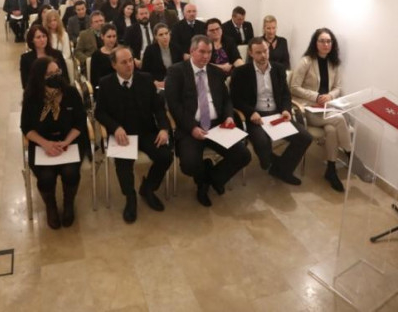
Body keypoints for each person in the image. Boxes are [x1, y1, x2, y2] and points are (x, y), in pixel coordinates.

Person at [165, 35, 251, 207]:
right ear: (192, 51)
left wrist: (228, 116)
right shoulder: (176, 71)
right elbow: (174, 106)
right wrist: (192, 128)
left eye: (209, 52)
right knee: (189, 165)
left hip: (217, 125)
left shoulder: (216, 72)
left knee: (243, 155)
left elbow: (226, 100)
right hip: (190, 126)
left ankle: (209, 180)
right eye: (202, 52)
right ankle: (205, 178)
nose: (206, 56)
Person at [95, 46, 172, 223]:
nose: (129, 65)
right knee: (123, 164)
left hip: (145, 131)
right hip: (122, 135)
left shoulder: (145, 79)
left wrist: (163, 128)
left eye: (130, 60)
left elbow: (158, 108)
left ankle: (148, 188)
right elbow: (100, 112)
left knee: (165, 156)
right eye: (124, 62)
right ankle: (130, 197)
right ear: (114, 65)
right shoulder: (106, 83)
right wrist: (115, 128)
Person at [290, 28, 370, 191]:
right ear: (315, 43)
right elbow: (294, 87)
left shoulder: (333, 64)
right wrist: (316, 96)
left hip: (326, 108)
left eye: (328, 41)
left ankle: (331, 171)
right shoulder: (306, 61)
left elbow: (337, 87)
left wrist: (330, 96)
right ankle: (350, 155)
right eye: (322, 41)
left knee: (331, 130)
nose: (326, 44)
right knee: (339, 119)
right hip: (307, 108)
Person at [230, 38, 312, 185]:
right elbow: (235, 99)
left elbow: (286, 94)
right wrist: (250, 112)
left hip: (277, 114)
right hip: (256, 116)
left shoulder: (279, 69)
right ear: (250, 53)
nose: (263, 55)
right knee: (262, 144)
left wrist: (286, 110)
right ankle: (270, 162)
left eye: (265, 51)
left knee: (305, 137)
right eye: (258, 52)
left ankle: (282, 170)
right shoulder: (241, 72)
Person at [20, 57, 86, 229]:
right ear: (39, 77)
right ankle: (51, 206)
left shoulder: (70, 92)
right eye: (49, 74)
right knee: (46, 176)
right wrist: (45, 144)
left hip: (69, 142)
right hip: (42, 144)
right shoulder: (32, 97)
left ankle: (68, 203)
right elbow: (26, 127)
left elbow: (80, 121)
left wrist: (66, 142)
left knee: (70, 172)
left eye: (57, 72)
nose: (55, 76)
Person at [141, 23, 184, 89]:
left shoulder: (176, 48)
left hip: (175, 82)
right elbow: (145, 72)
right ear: (156, 37)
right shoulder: (150, 50)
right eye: (161, 35)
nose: (165, 37)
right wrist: (154, 81)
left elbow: (181, 69)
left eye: (166, 33)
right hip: (158, 84)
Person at [89, 23, 118, 90]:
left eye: (114, 36)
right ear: (102, 36)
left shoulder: (120, 52)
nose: (112, 40)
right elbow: (95, 80)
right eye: (109, 37)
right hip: (104, 88)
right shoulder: (96, 55)